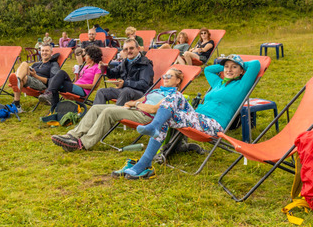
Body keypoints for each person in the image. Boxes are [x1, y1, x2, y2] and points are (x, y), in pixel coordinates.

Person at [116, 54, 260, 179]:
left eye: (234, 67)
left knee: (167, 117)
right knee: (176, 94)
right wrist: (225, 66)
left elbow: (256, 64)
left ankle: (144, 162)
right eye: (227, 66)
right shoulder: (218, 83)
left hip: (213, 124)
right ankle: (148, 149)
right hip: (196, 116)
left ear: (242, 71)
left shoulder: (242, 85)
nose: (229, 69)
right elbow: (209, 69)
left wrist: (240, 63)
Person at [51, 68, 185, 152]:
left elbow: (153, 109)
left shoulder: (173, 95)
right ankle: (73, 135)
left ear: (178, 81)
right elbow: (143, 100)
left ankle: (83, 143)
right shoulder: (157, 90)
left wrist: (136, 105)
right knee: (97, 108)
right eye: (165, 76)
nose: (165, 78)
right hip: (136, 109)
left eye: (170, 76)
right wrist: (133, 103)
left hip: (145, 116)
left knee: (109, 112)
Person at [42, 45, 103, 112]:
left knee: (59, 77)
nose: (84, 57)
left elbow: (95, 86)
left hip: (83, 91)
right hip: (75, 87)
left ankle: (50, 96)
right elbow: (78, 81)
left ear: (92, 56)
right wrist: (76, 74)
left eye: (86, 55)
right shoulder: (86, 66)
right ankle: (55, 108)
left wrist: (77, 85)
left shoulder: (97, 68)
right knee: (57, 81)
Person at [94, 38, 154, 106]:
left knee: (126, 91)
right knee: (101, 91)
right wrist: (105, 68)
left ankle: (113, 115)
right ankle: (97, 114)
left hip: (141, 94)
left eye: (131, 48)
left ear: (138, 48)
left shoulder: (145, 64)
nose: (129, 51)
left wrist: (125, 83)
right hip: (124, 90)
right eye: (126, 49)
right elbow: (112, 74)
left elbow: (144, 84)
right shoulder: (125, 62)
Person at [8, 43, 61, 111]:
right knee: (24, 66)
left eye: (47, 51)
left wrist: (35, 76)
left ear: (51, 52)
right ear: (40, 52)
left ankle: (16, 82)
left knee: (24, 71)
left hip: (42, 84)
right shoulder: (37, 63)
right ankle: (17, 104)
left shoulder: (53, 64)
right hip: (29, 79)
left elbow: (52, 81)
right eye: (43, 51)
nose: (44, 52)